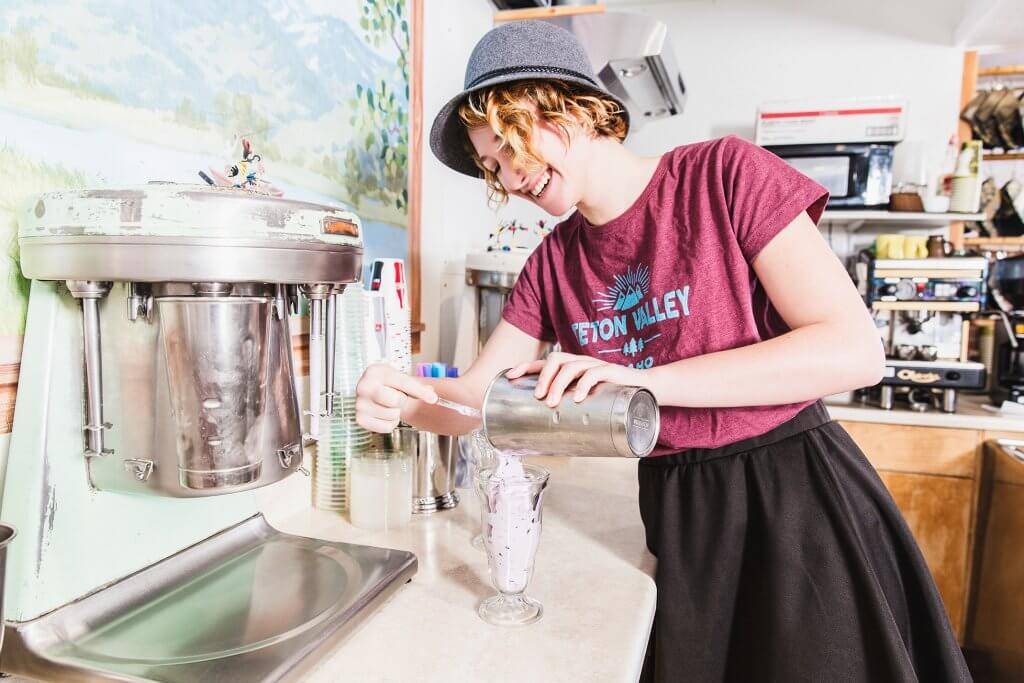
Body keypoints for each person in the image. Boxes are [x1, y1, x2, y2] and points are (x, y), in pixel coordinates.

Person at [355, 20, 971, 683]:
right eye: (492, 166)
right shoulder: (553, 263)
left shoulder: (723, 175)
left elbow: (853, 349)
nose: (509, 177)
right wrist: (405, 397)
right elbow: (475, 399)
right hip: (678, 513)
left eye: (509, 147)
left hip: (794, 500)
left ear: (569, 108)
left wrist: (639, 378)